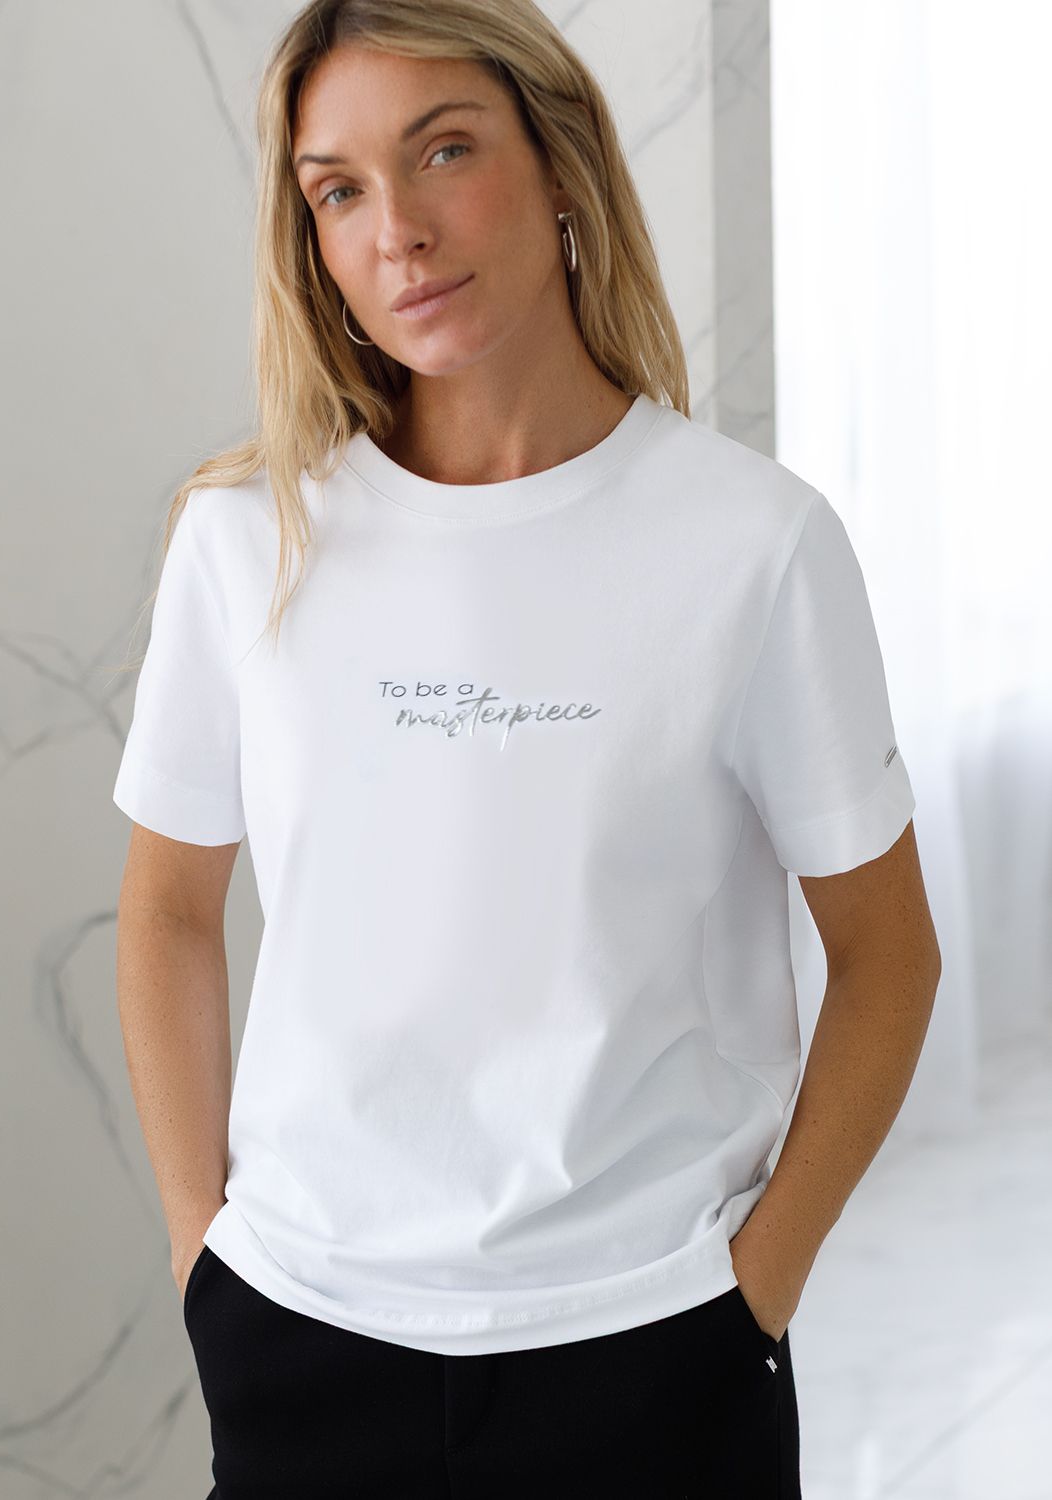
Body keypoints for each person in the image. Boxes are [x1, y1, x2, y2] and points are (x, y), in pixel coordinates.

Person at [112, 1, 942, 1495]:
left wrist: (754, 1290)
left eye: (445, 151)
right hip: (300, 1341)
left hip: (657, 1352)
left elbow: (888, 955)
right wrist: (204, 1262)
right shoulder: (247, 541)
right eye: (339, 190)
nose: (399, 232)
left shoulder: (753, 547)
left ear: (559, 162)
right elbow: (169, 909)